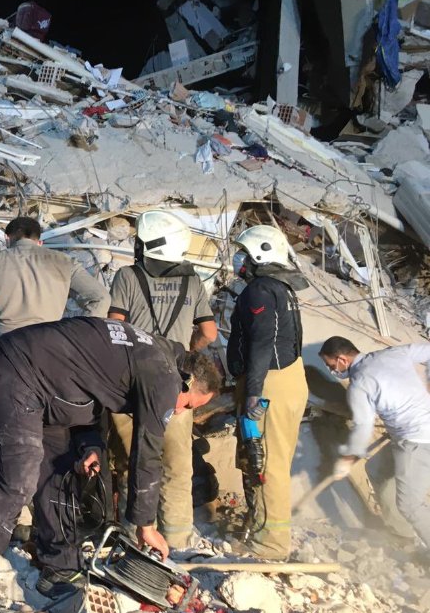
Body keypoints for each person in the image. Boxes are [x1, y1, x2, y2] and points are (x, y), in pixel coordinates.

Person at [0, 316, 222, 613]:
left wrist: (90, 443)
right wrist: (146, 525)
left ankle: (59, 566)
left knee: (61, 471)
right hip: (13, 374)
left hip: (45, 389)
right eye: (188, 404)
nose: (180, 412)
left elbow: (88, 383)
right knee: (15, 483)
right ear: (186, 381)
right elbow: (148, 452)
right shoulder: (163, 374)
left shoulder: (152, 353)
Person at [107, 210, 218, 549]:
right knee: (177, 468)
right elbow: (210, 333)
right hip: (178, 383)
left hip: (130, 382)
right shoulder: (194, 281)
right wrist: (187, 351)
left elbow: (114, 326)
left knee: (133, 462)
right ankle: (178, 540)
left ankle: (133, 535)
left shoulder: (127, 276)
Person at [226, 224, 309, 560]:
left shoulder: (259, 290)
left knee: (267, 463)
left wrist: (253, 392)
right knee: (263, 460)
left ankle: (271, 545)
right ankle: (260, 527)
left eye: (243, 254)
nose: (238, 260)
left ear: (260, 254)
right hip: (289, 378)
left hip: (269, 383)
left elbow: (262, 342)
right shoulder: (282, 289)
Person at [319, 337, 430, 550]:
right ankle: (402, 534)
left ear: (342, 359)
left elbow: (363, 426)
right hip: (406, 435)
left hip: (417, 439)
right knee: (377, 470)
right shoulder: (392, 353)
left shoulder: (360, 384)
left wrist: (349, 457)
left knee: (410, 504)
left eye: (331, 365)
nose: (331, 369)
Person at [0, 215, 110, 345]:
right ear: (39, 241)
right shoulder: (65, 262)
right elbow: (100, 298)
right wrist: (74, 338)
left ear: (7, 238)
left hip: (4, 344)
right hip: (49, 344)